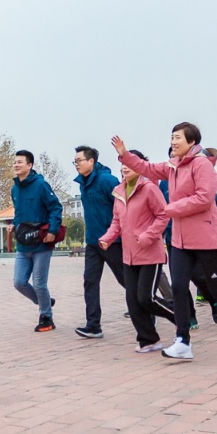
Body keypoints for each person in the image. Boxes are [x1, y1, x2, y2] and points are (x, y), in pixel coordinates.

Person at [111, 124, 217, 360]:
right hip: (179, 240)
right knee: (178, 288)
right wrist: (125, 154)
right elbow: (147, 167)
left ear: (191, 141)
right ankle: (183, 341)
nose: (173, 142)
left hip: (206, 238)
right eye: (172, 137)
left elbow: (204, 198)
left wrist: (171, 208)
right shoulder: (173, 166)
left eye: (177, 138)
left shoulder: (201, 165)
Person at [99, 151, 177, 352]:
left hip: (150, 253)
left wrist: (148, 236)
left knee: (146, 298)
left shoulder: (150, 189)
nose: (124, 168)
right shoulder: (119, 192)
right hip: (129, 255)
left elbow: (163, 216)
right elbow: (117, 222)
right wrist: (107, 238)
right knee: (132, 301)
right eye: (122, 165)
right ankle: (149, 340)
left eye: (129, 164)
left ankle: (180, 317)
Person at [73, 145, 124, 339]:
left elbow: (122, 208)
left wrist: (115, 234)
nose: (76, 164)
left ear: (91, 161)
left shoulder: (107, 181)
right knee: (90, 281)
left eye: (79, 161)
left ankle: (146, 310)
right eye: (75, 161)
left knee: (125, 280)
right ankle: (93, 326)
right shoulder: (83, 183)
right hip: (93, 243)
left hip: (113, 241)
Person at [10, 150, 63, 333]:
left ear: (29, 165)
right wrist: (13, 225)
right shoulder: (14, 189)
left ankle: (46, 317)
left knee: (40, 283)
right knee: (19, 282)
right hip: (23, 245)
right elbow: (18, 213)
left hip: (41, 244)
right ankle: (44, 301)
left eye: (20, 162)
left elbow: (56, 207)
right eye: (14, 162)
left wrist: (53, 231)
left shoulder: (41, 185)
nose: (16, 165)